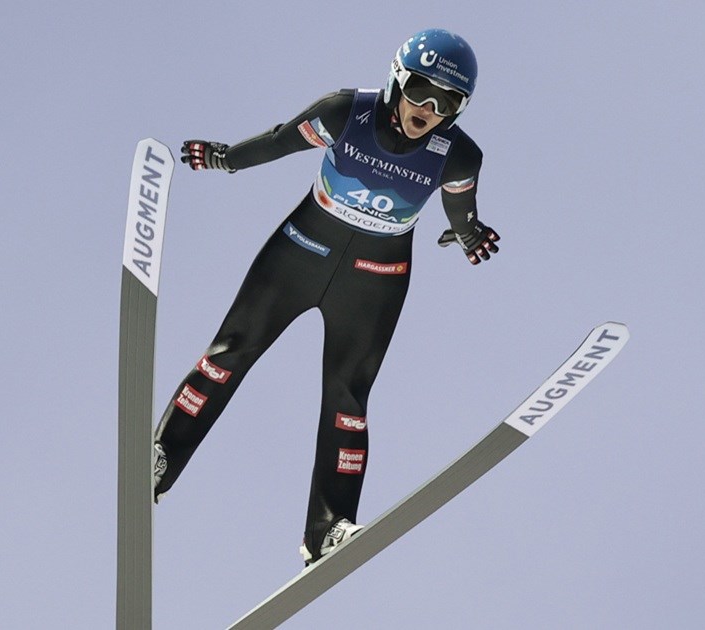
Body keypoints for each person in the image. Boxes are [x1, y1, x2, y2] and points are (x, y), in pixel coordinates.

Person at [152, 28, 500, 565]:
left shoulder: (458, 156)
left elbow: (462, 210)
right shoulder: (346, 113)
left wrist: (470, 233)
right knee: (231, 351)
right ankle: (161, 457)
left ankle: (329, 528)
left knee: (348, 401)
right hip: (300, 252)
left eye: (446, 101)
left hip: (375, 277)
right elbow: (279, 140)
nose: (428, 109)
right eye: (421, 91)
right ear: (396, 81)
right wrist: (226, 158)